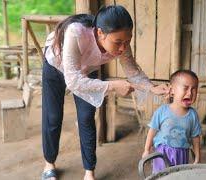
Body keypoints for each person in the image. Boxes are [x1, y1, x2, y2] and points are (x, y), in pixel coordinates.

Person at [41, 5, 169, 180]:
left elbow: (133, 72)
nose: (123, 48)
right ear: (100, 33)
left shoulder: (121, 42)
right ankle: (49, 163)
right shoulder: (76, 33)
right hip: (55, 66)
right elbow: (73, 81)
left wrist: (152, 87)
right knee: (53, 116)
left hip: (87, 69)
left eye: (127, 41)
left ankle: (89, 172)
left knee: (86, 117)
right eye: (118, 43)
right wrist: (113, 86)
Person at [142, 69, 202, 173]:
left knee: (179, 176)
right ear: (172, 90)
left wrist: (197, 157)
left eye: (194, 89)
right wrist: (146, 150)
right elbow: (152, 131)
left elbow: (195, 137)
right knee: (161, 176)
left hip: (182, 154)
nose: (190, 93)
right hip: (162, 154)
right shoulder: (162, 111)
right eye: (186, 88)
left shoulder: (193, 115)